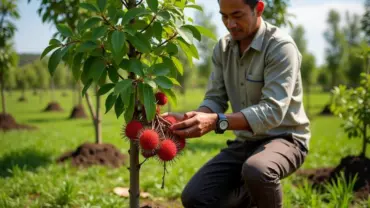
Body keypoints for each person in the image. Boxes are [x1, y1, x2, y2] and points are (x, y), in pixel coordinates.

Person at [164, 0, 310, 207]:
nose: (230, 23)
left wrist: (216, 122)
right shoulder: (223, 48)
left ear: (258, 9)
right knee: (196, 197)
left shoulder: (280, 47)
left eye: (237, 15)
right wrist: (193, 118)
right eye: (224, 16)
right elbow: (215, 99)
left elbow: (273, 111)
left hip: (286, 138)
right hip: (246, 142)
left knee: (258, 170)